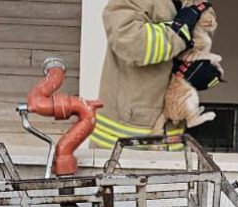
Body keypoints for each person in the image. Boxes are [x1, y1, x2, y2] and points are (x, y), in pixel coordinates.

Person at [90, 0, 220, 149]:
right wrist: (177, 34)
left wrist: (197, 64)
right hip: (123, 144)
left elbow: (202, 30)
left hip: (172, 141)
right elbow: (131, 42)